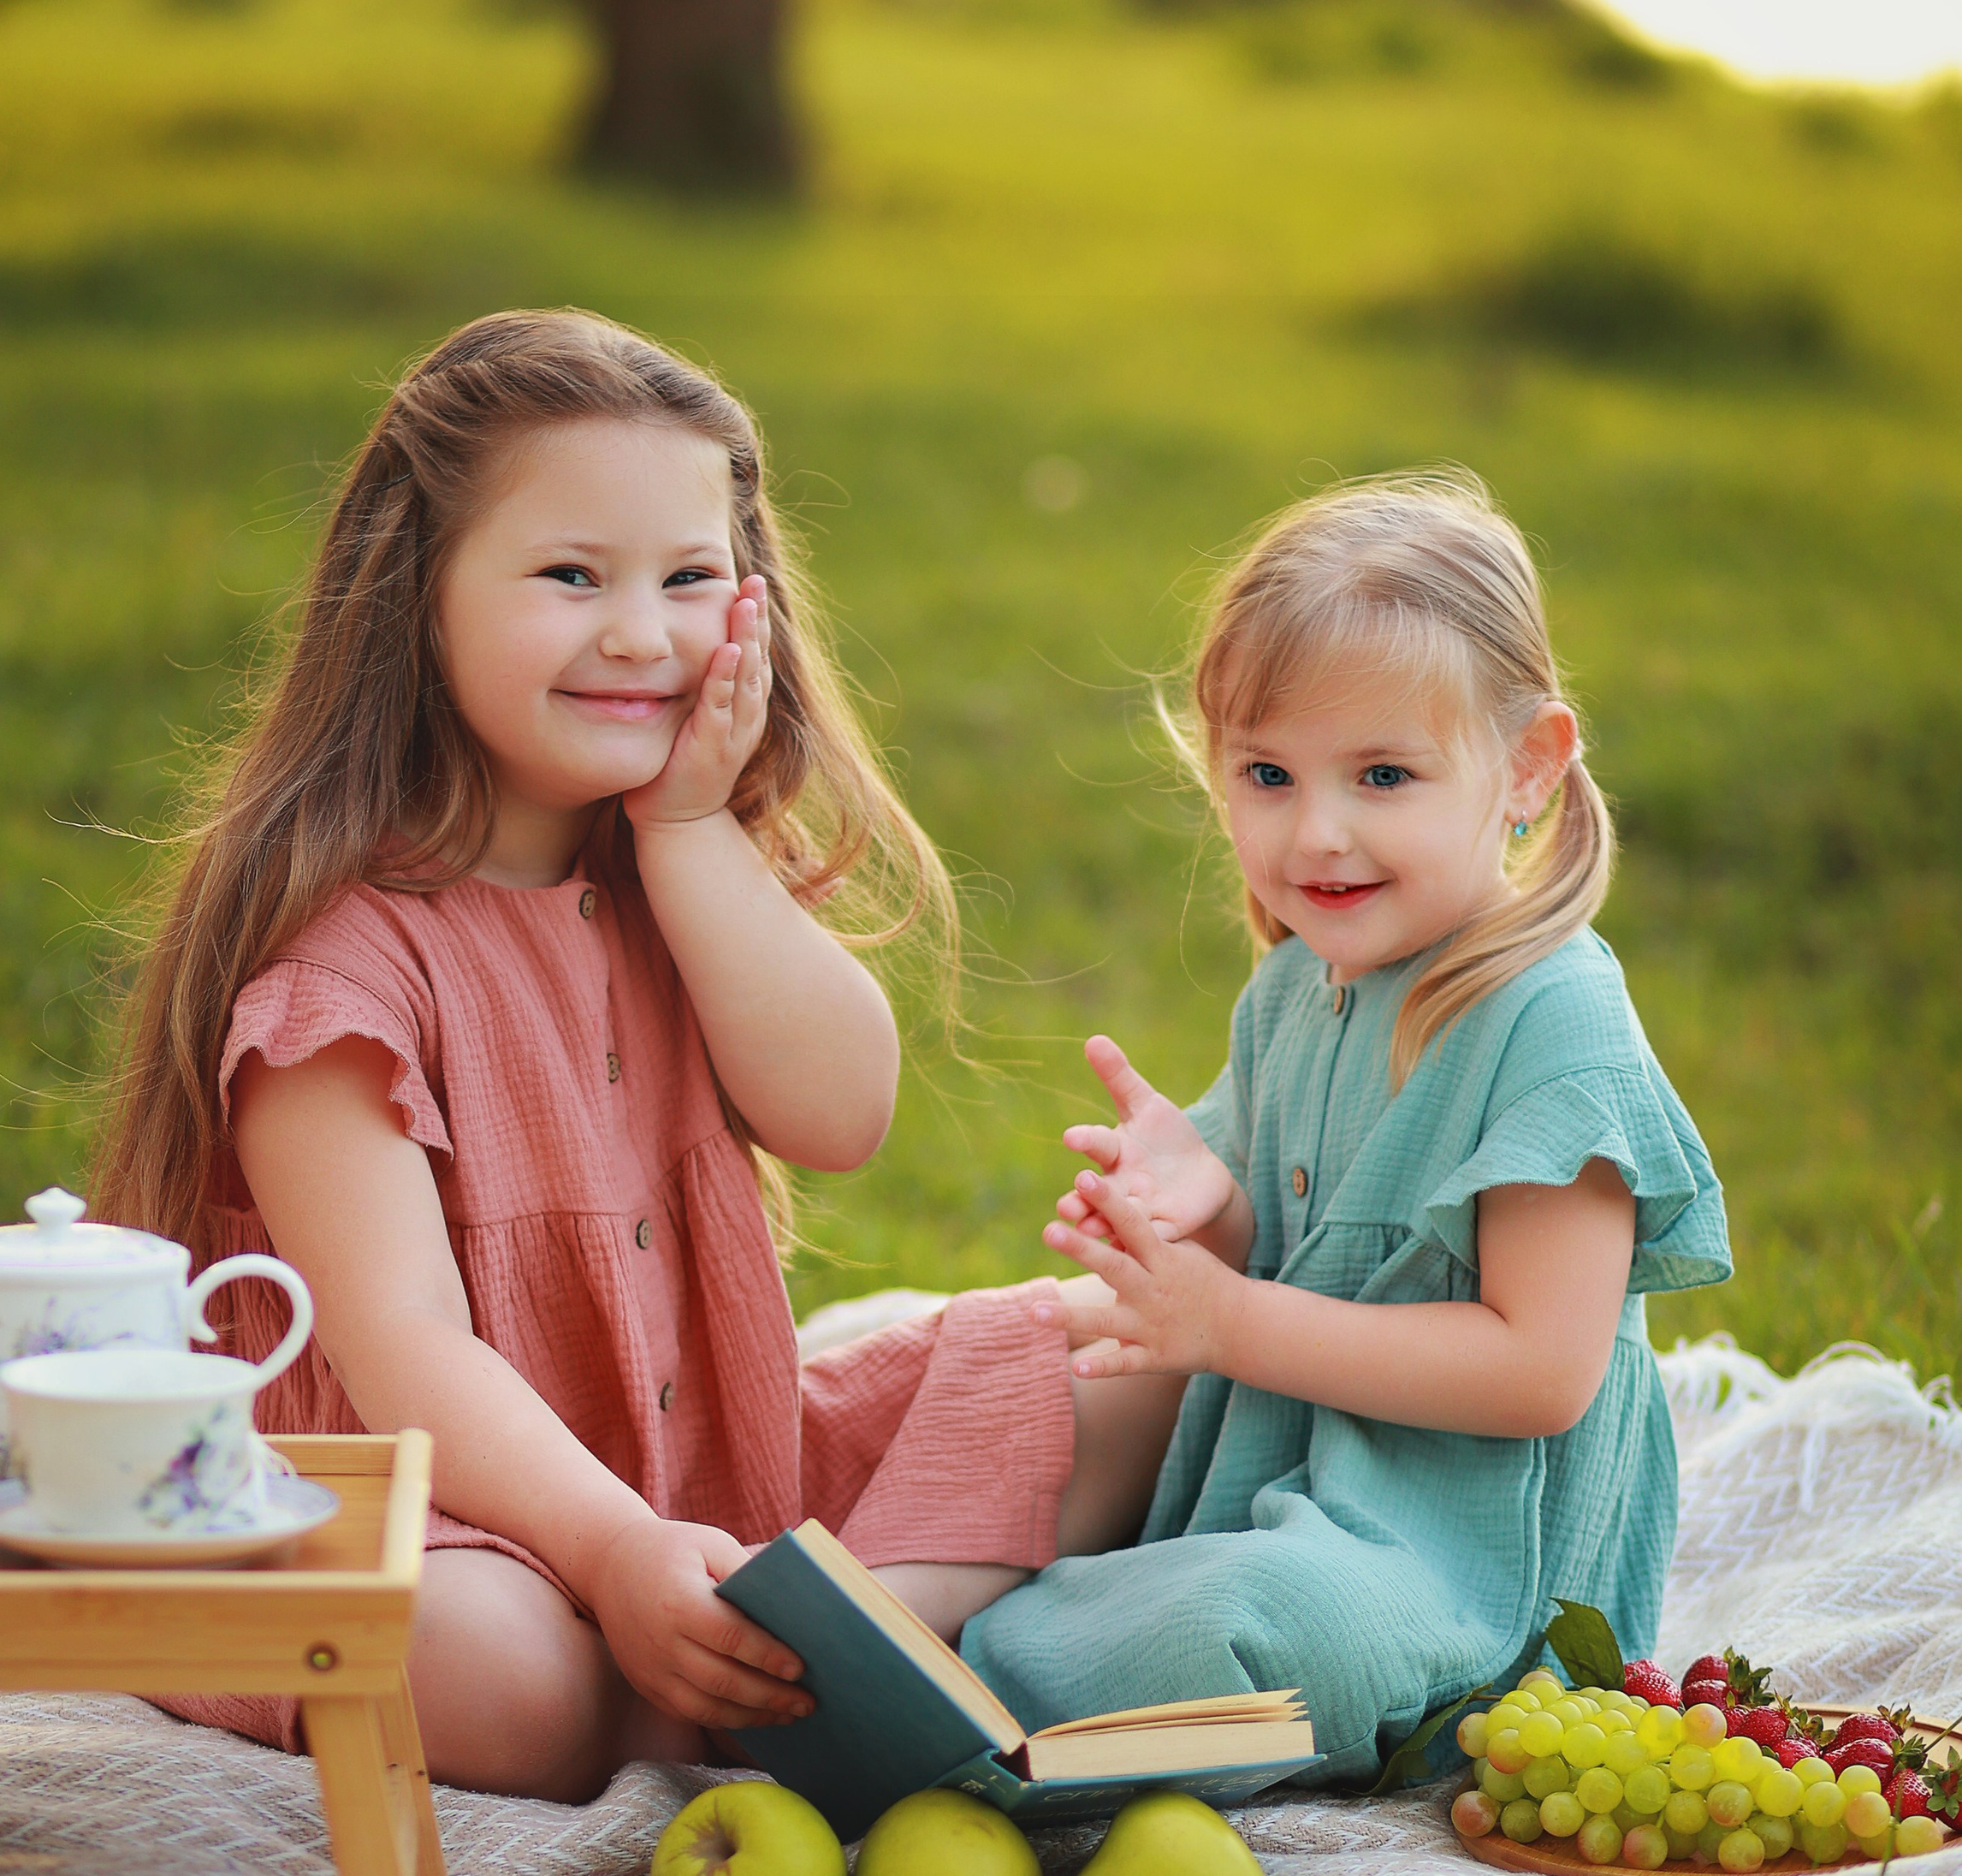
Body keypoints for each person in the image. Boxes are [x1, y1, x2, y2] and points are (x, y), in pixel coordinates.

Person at [92, 311, 1171, 1797]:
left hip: (705, 1487)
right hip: (435, 1507)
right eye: (571, 576)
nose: (643, 636)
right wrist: (609, 1552)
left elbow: (842, 1113)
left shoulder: (675, 870)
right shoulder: (338, 971)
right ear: (415, 599)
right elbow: (403, 1347)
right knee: (491, 1669)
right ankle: (751, 1681)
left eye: (689, 577)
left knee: (1129, 1358)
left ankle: (804, 1662)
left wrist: (690, 832)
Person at [959, 470, 1730, 1782]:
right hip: (1286, 1496)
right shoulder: (1298, 991)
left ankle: (973, 1721)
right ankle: (956, 1661)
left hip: (1466, 1599)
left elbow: (1542, 1371)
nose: (1318, 834)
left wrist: (1229, 1322)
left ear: (1527, 769)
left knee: (1227, 1629)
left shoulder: (1550, 1022)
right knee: (1012, 1381)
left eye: (1383, 775)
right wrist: (1211, 1206)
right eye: (1268, 774)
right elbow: (1278, 1255)